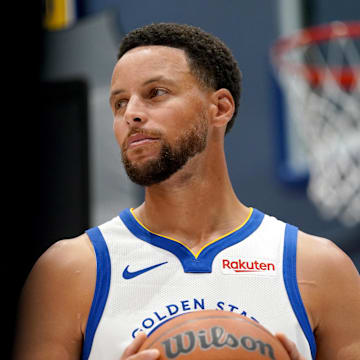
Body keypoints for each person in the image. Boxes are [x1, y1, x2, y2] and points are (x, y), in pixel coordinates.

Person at [13, 23, 360, 360]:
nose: (131, 114)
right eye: (119, 103)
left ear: (220, 108)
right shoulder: (69, 271)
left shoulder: (320, 268)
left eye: (155, 93)